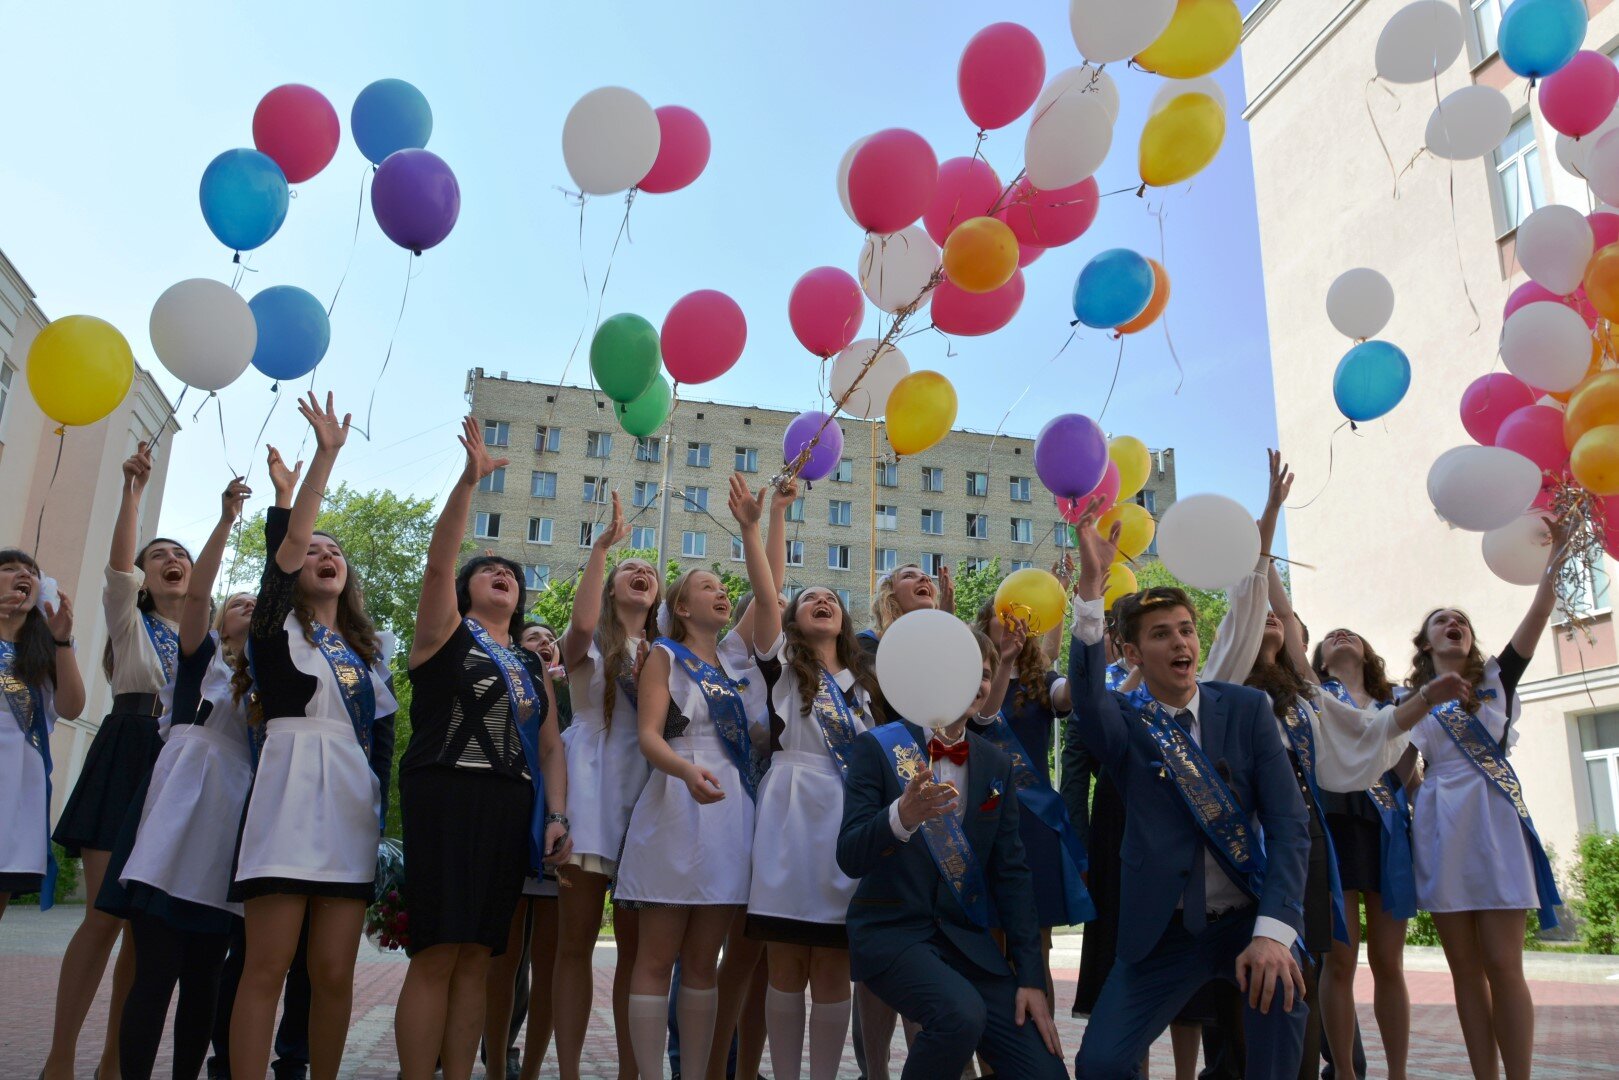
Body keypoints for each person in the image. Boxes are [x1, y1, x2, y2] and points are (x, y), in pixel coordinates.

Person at [1065, 499, 1311, 1080]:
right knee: (1099, 1063)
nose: (1181, 644)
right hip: (1162, 930)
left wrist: (1275, 932)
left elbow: (1288, 825)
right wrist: (1091, 592)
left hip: (1246, 918)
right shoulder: (1124, 721)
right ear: (1131, 653)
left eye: (1186, 630)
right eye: (1160, 635)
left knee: (1284, 998)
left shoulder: (1247, 709)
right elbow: (1086, 696)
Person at [395, 416, 572, 1080]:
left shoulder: (530, 665)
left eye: (510, 573)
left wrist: (555, 816)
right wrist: (468, 482)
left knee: (481, 956)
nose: (501, 573)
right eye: (488, 568)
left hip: (509, 804)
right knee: (438, 950)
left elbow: (550, 747)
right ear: (467, 589)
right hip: (444, 788)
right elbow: (440, 559)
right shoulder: (443, 634)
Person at [229, 393, 399, 1080]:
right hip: (287, 795)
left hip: (349, 806)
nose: (325, 555)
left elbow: (381, 746)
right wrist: (322, 462)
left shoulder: (368, 654)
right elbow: (286, 550)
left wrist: (380, 806)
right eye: (314, 549)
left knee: (333, 972)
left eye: (337, 551)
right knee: (265, 964)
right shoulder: (275, 632)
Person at [837, 627, 1065, 1079]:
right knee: (959, 1017)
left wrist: (1031, 980)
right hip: (892, 932)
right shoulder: (877, 747)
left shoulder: (994, 763)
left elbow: (1013, 876)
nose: (979, 684)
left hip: (966, 944)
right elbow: (850, 855)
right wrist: (901, 816)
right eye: (967, 672)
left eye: (985, 674)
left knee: (1044, 1069)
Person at [96, 475, 260, 1080]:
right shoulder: (200, 658)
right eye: (234, 601)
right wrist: (224, 522)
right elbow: (196, 598)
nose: (245, 605)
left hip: (227, 825)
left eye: (256, 603)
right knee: (153, 973)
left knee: (205, 981)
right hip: (174, 819)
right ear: (216, 616)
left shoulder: (270, 678)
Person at [1401, 516, 1571, 1080]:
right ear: (1426, 643)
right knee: (1465, 970)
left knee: (1504, 965)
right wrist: (1415, 792)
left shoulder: (1499, 678)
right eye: (1441, 622)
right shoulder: (1408, 699)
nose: (1454, 624)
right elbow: (1395, 765)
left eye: (1461, 620)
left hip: (1495, 821)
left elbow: (1540, 613)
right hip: (1441, 825)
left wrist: (1559, 553)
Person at [618, 475, 769, 1080]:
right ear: (681, 607)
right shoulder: (663, 654)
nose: (722, 592)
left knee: (705, 962)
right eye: (707, 586)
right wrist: (684, 771)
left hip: (730, 810)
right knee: (657, 958)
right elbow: (649, 736)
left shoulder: (733, 659)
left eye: (722, 587)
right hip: (677, 803)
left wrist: (757, 524)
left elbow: (768, 588)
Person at [45, 441, 188, 1080]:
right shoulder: (129, 618)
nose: (172, 562)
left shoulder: (207, 637)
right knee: (103, 917)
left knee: (143, 929)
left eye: (181, 556)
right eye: (160, 556)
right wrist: (133, 491)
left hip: (179, 768)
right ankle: (59, 1059)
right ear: (143, 575)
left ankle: (114, 1064)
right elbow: (117, 567)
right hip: (127, 751)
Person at [739, 478, 883, 1080]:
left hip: (846, 819)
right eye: (809, 597)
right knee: (783, 963)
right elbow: (765, 594)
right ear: (794, 621)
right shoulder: (781, 668)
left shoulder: (868, 686)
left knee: (831, 963)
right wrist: (767, 519)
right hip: (789, 812)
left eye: (832, 596)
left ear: (845, 619)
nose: (822, 599)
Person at [552, 491, 661, 1080]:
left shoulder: (667, 653)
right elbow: (584, 619)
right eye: (630, 570)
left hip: (647, 795)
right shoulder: (587, 645)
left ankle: (629, 1071)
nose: (641, 572)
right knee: (574, 945)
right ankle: (569, 1070)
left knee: (638, 954)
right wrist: (601, 550)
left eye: (649, 572)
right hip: (591, 789)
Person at [849, 561, 951, 1075]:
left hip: (940, 784)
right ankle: (876, 1069)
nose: (924, 577)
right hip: (887, 790)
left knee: (927, 939)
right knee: (884, 929)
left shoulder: (949, 642)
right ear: (889, 591)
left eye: (926, 573)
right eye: (910, 573)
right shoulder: (866, 647)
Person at [972, 595, 1095, 992]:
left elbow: (1072, 694)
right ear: (985, 625)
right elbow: (980, 719)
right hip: (983, 821)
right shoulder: (969, 678)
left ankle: (1040, 1047)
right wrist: (1002, 663)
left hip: (1034, 826)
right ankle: (994, 1050)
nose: (1013, 625)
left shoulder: (1041, 681)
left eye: (1021, 617)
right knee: (988, 945)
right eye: (1003, 617)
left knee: (1034, 947)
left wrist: (1082, 624)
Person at [1312, 629, 1411, 1080]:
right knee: (1340, 961)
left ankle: (1398, 1073)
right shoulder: (1315, 697)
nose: (1341, 636)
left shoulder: (1396, 701)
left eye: (1350, 634)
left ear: (1369, 652)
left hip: (1385, 830)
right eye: (1331, 637)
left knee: (1389, 962)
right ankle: (1347, 1074)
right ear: (1318, 659)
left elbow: (1410, 773)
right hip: (1335, 827)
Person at [0, 548, 84, 920]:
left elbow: (71, 708)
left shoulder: (43, 649)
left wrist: (62, 642)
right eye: (9, 569)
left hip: (18, 785)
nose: (23, 574)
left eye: (30, 571)